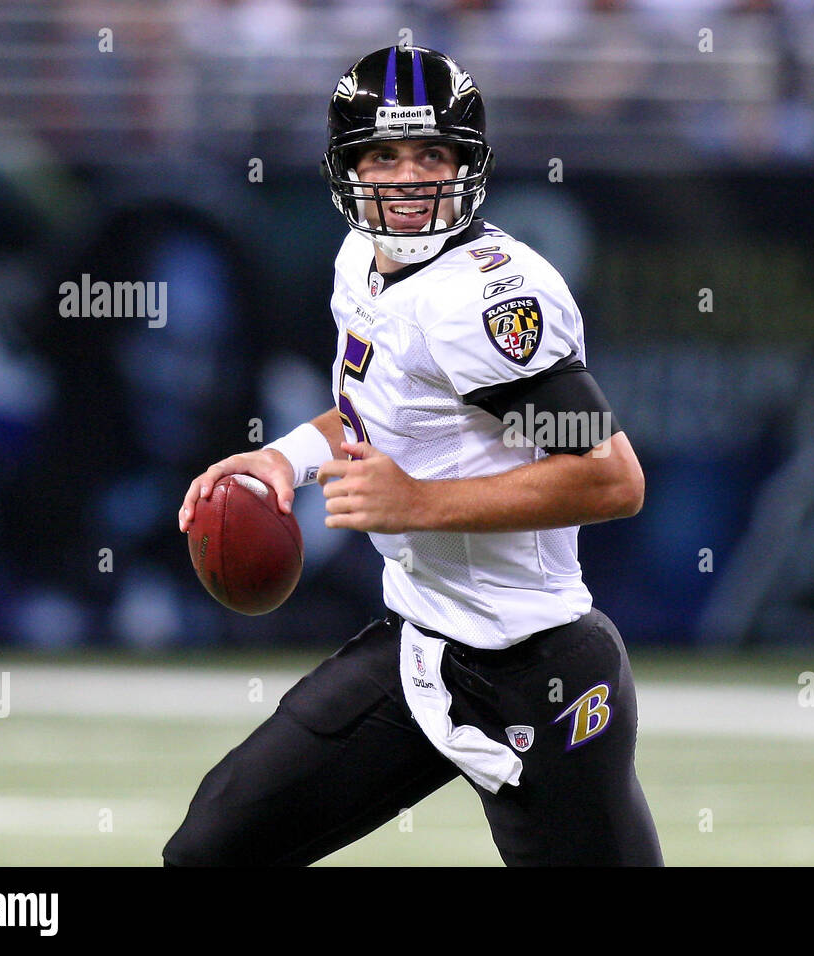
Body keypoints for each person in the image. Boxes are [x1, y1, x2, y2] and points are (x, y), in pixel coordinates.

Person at [163, 45, 662, 866]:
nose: (409, 177)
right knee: (211, 848)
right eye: (384, 154)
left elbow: (611, 476)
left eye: (433, 152)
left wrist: (420, 505)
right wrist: (285, 460)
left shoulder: (489, 298)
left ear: (468, 163)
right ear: (346, 166)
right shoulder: (360, 261)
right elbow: (381, 413)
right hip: (420, 649)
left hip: (539, 670)